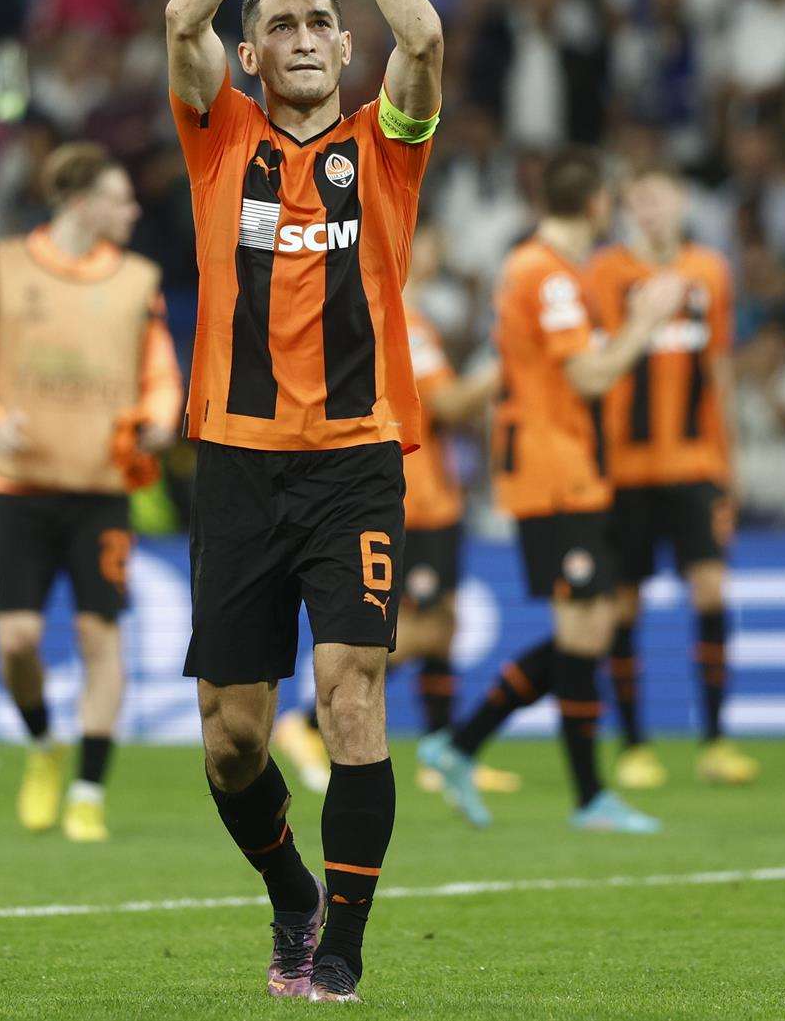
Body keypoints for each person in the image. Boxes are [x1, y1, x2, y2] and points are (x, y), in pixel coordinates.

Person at [162, 0, 442, 1004]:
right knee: (232, 738)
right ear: (254, 60)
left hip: (355, 458)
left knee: (351, 693)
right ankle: (291, 899)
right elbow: (181, 15)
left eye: (323, 19)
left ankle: (343, 949)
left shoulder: (386, 146)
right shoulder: (219, 139)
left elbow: (423, 31)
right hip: (233, 459)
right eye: (283, 25)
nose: (312, 34)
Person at [421, 151, 687, 834]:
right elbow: (591, 377)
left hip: (570, 464)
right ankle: (586, 795)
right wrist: (645, 323)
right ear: (598, 203)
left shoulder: (547, 269)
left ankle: (462, 744)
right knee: (583, 628)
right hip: (549, 468)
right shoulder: (545, 273)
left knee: (589, 628)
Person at [0, 143, 181, 841]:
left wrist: (162, 419)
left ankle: (88, 788)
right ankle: (44, 742)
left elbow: (161, 374)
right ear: (81, 202)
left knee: (97, 633)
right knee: (16, 641)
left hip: (102, 486)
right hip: (19, 486)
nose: (133, 209)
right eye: (120, 197)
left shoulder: (138, 279)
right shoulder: (1, 264)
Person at [271, 296, 513, 798]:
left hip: (434, 497)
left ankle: (440, 751)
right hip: (415, 497)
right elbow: (448, 404)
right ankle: (306, 725)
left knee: (442, 627)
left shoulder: (387, 317)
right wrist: (506, 360)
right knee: (423, 628)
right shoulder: (405, 323)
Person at [585, 167, 759, 791]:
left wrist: (731, 465)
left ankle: (715, 740)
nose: (651, 209)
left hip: (695, 466)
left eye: (660, 198)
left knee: (711, 592)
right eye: (639, 199)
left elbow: (720, 370)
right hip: (626, 471)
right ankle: (634, 745)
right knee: (624, 604)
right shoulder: (606, 273)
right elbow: (592, 366)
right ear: (626, 209)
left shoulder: (709, 271)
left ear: (683, 204)